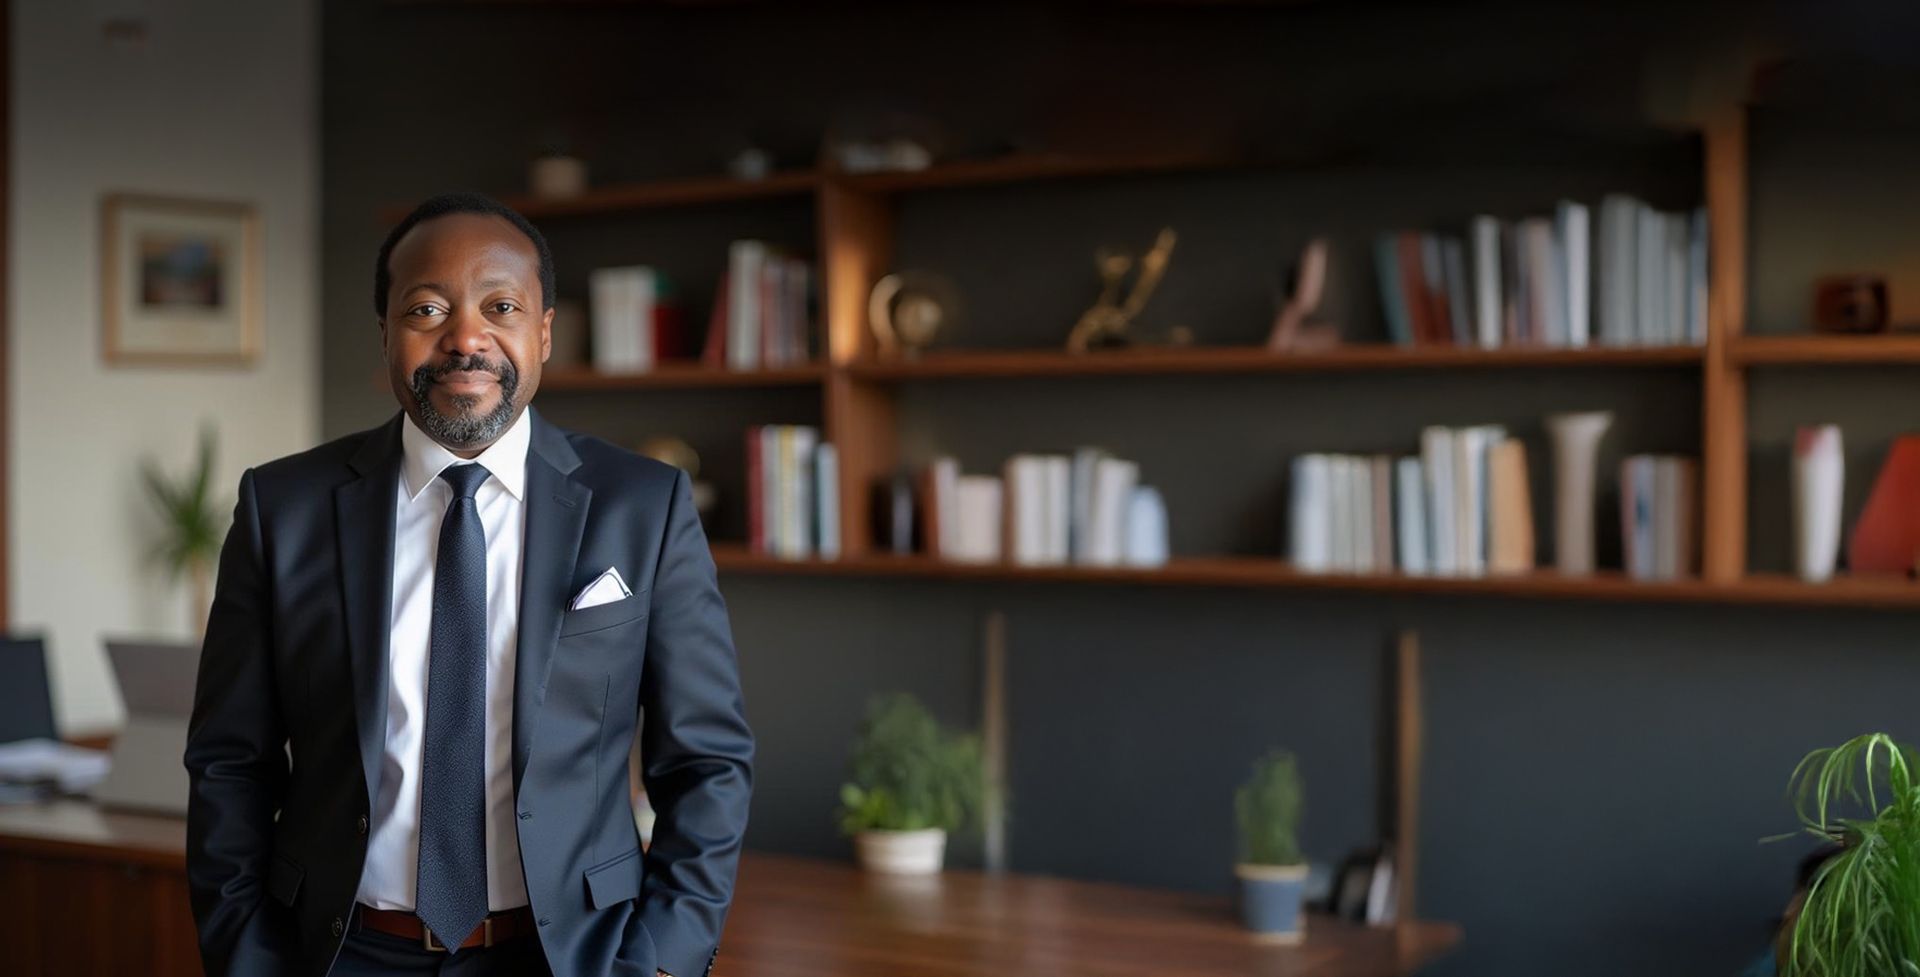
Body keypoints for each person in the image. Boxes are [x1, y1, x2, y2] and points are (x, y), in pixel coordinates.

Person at [184, 192, 753, 977]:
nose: (466, 338)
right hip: (340, 952)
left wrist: (661, 962)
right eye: (426, 307)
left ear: (543, 331)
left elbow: (706, 763)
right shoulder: (282, 507)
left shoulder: (643, 506)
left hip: (570, 956)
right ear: (384, 332)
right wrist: (248, 960)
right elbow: (230, 763)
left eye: (502, 305)